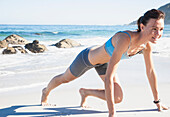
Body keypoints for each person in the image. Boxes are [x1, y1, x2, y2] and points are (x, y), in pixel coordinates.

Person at [41, 9, 169, 117]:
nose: (158, 34)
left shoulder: (146, 46)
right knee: (65, 78)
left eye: (161, 29)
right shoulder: (125, 39)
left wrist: (157, 101)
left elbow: (151, 72)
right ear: (142, 26)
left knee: (118, 97)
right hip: (88, 59)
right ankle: (45, 92)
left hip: (106, 62)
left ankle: (86, 92)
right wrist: (111, 113)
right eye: (154, 29)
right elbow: (109, 77)